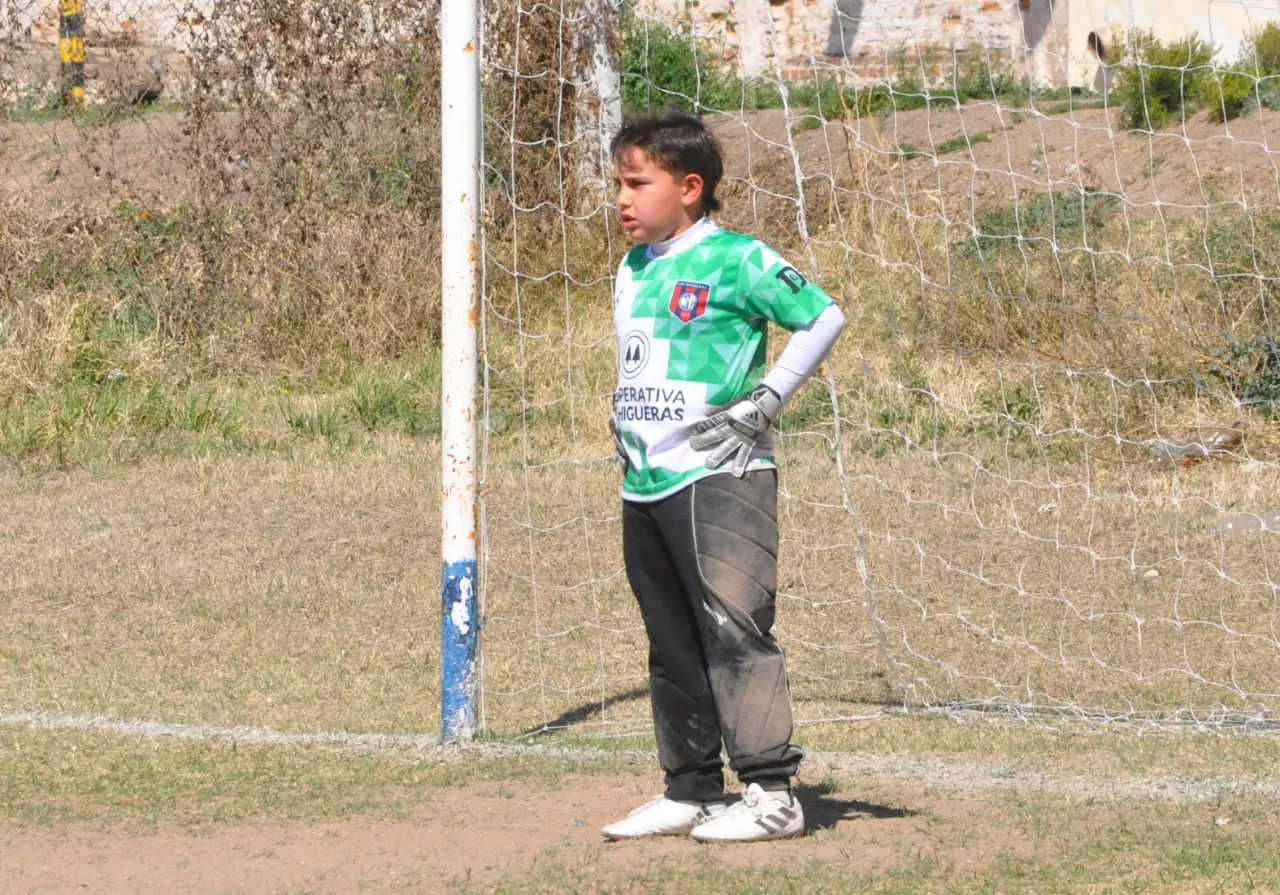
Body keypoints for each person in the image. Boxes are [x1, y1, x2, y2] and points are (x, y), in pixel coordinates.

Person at [600, 108, 845, 843]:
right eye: (618, 182)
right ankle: (692, 788)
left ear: (690, 186)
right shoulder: (632, 266)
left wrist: (768, 400)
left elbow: (823, 315)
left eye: (637, 183)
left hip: (720, 475)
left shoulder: (736, 258)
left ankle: (771, 792)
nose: (621, 198)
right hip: (645, 482)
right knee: (669, 635)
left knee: (736, 630)